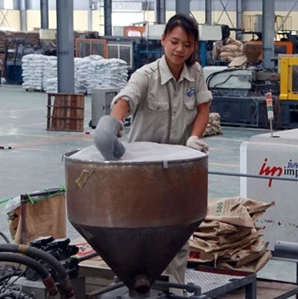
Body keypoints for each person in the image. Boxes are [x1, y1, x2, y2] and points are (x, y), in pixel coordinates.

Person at [94, 13, 212, 295]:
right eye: (174, 42)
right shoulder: (146, 76)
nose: (179, 49)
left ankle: (175, 291)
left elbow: (203, 109)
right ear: (163, 40)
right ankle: (129, 287)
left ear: (194, 46)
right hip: (142, 176)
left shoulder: (195, 75)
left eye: (186, 44)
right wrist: (113, 125)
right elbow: (125, 100)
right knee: (136, 238)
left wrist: (194, 138)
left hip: (177, 173)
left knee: (177, 239)